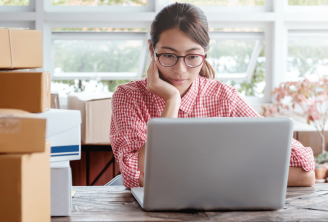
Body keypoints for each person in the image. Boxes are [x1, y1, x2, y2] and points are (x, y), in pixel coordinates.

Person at [109, 2, 315, 189]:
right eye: (169, 55)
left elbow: (305, 172)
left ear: (205, 53)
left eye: (192, 57)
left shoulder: (224, 97)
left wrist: (208, 177)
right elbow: (136, 173)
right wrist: (172, 101)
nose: (180, 70)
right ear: (151, 49)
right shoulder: (128, 97)